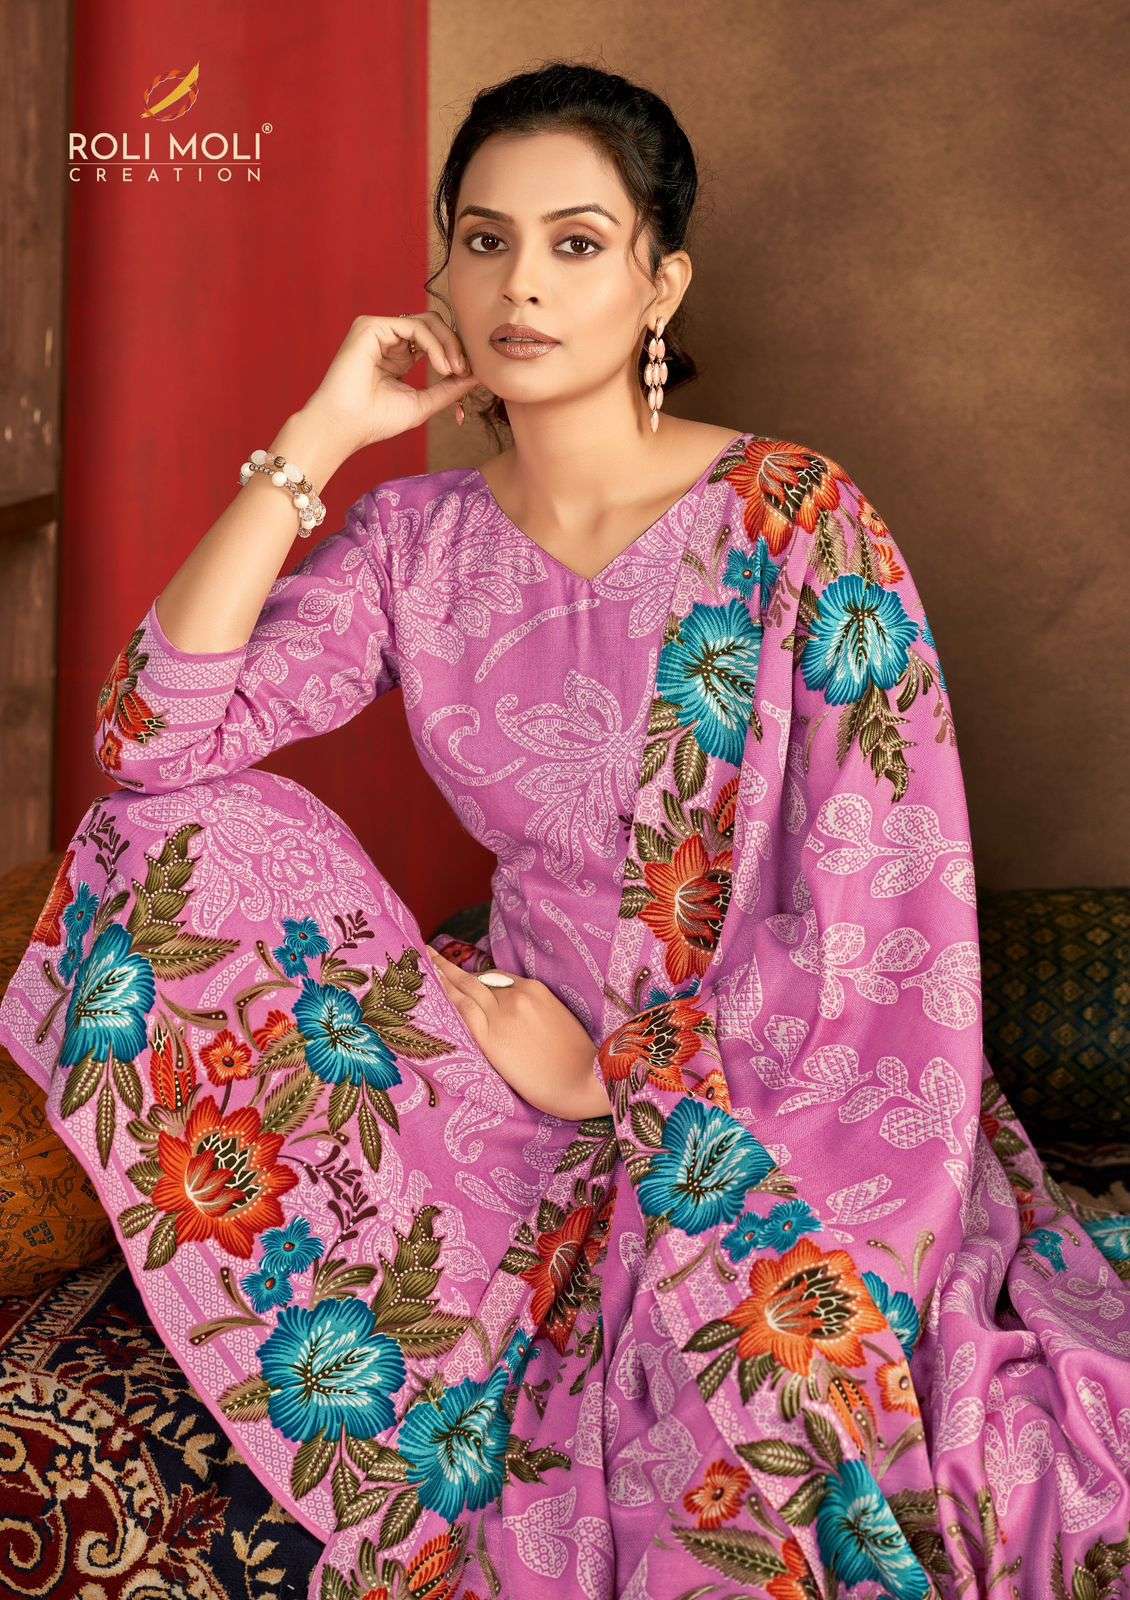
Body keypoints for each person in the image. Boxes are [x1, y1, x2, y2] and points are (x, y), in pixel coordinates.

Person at [2, 60, 1129, 1600]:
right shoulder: (415, 544)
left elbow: (885, 922)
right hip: (503, 1075)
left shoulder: (795, 522)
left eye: (576, 243)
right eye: (483, 241)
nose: (519, 284)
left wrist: (617, 1076)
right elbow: (146, 742)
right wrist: (318, 437)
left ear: (661, 282)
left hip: (774, 1096)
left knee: (761, 1424)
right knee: (171, 839)